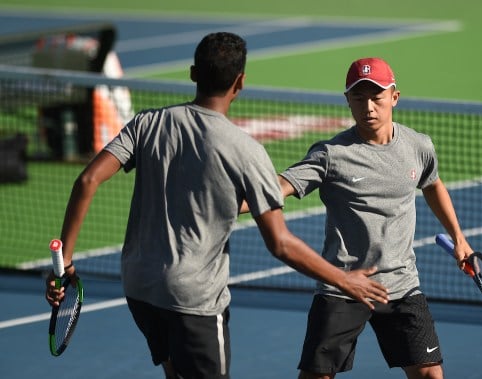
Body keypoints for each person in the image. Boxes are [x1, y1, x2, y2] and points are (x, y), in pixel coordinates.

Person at [45, 33, 389, 379]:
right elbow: (280, 243)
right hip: (193, 299)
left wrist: (66, 263)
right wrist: (345, 281)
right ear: (240, 82)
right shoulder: (246, 150)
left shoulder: (147, 123)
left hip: (139, 286)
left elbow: (87, 180)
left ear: (194, 73)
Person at [278, 58, 474, 379]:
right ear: (348, 101)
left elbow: (433, 184)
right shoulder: (331, 154)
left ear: (394, 97)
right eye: (358, 98)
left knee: (429, 374)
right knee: (317, 376)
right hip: (343, 285)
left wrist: (460, 238)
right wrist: (231, 197)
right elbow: (280, 187)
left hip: (401, 284)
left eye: (377, 97)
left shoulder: (418, 146)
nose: (368, 106)